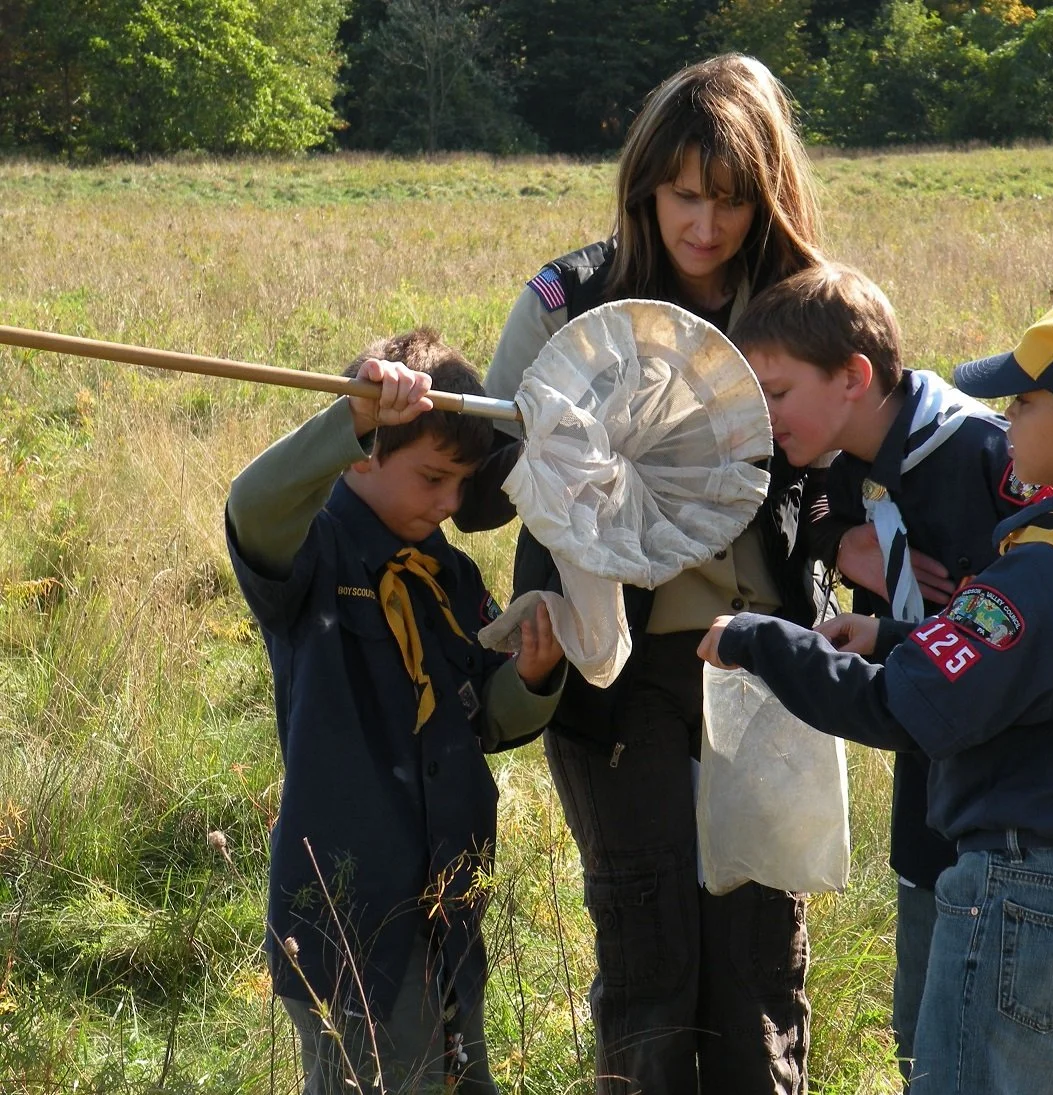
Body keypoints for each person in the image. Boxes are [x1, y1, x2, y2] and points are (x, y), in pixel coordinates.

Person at [699, 296, 1053, 1094]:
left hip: (1030, 893)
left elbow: (904, 707)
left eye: (1026, 402)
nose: (1005, 417)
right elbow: (1046, 678)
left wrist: (760, 641)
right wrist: (891, 635)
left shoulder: (1036, 574)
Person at [457, 55, 824, 1095]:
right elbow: (480, 494)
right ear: (645, 187)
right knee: (650, 954)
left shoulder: (798, 303)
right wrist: (489, 432)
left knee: (757, 966)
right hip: (617, 679)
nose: (704, 225)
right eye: (683, 196)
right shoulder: (570, 298)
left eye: (731, 200)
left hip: (763, 669)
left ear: (767, 195)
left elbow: (851, 453)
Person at [226, 329, 566, 1094]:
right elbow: (251, 508)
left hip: (444, 908)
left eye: (462, 483)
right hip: (347, 914)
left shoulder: (448, 573)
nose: (451, 503)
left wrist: (533, 676)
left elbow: (485, 717)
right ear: (362, 456)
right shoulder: (312, 550)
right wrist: (349, 418)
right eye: (434, 478)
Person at [730, 261, 1043, 1083]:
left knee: (982, 1046)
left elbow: (1016, 644)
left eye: (777, 391)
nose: (765, 413)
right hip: (929, 800)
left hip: (1010, 821)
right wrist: (844, 546)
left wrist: (892, 632)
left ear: (853, 377)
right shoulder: (846, 450)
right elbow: (819, 501)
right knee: (921, 1033)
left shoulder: (985, 455)